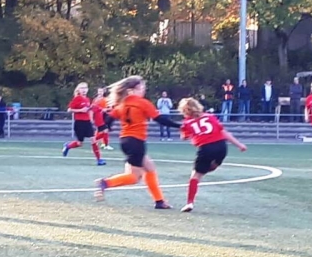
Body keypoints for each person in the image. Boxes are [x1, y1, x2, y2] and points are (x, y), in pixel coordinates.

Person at [94, 76, 181, 209]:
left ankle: (159, 201)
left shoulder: (122, 103)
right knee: (134, 177)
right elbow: (160, 119)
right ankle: (105, 183)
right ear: (131, 90)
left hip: (126, 141)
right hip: (136, 141)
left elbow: (108, 118)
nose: (143, 90)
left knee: (149, 167)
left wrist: (106, 127)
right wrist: (179, 126)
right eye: (141, 88)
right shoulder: (142, 103)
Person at [177, 97, 246, 213]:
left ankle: (189, 203)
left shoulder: (187, 123)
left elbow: (184, 137)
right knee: (212, 166)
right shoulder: (210, 117)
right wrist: (239, 145)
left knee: (195, 176)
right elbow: (223, 132)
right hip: (221, 146)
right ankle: (212, 166)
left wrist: (184, 131)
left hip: (206, 148)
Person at [62, 83, 104, 165]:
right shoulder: (77, 98)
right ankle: (68, 146)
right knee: (79, 143)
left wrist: (92, 110)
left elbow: (88, 109)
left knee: (93, 140)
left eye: (85, 88)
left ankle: (99, 160)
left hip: (87, 122)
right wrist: (80, 110)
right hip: (79, 123)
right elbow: (69, 110)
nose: (84, 90)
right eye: (82, 88)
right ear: (78, 90)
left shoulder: (87, 99)